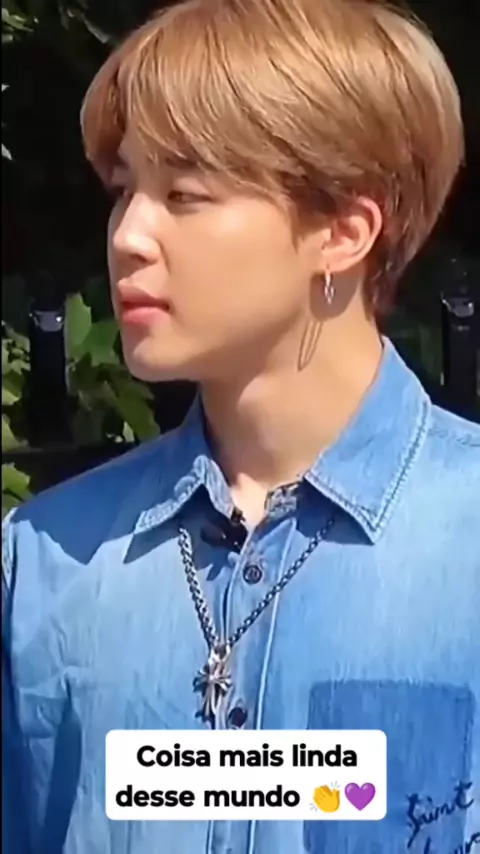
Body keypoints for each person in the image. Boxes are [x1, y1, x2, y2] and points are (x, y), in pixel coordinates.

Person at [3, 0, 479, 851]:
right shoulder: (43, 562)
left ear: (344, 230)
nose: (128, 236)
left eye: (185, 194)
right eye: (123, 190)